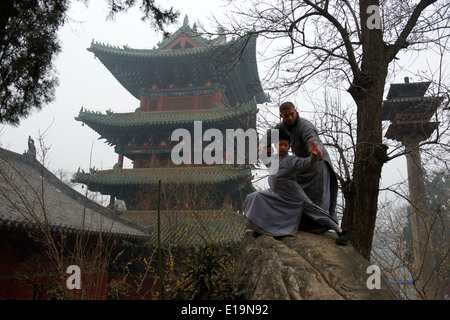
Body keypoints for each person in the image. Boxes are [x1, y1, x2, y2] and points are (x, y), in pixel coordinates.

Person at [244, 132, 350, 244]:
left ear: (289, 147)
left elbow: (306, 164)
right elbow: (263, 157)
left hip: (292, 194)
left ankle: (341, 231)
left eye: (286, 145)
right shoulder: (273, 160)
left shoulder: (291, 160)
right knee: (256, 197)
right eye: (281, 144)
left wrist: (313, 156)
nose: (283, 147)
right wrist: (263, 149)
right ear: (276, 145)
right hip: (276, 193)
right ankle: (262, 228)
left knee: (314, 212)